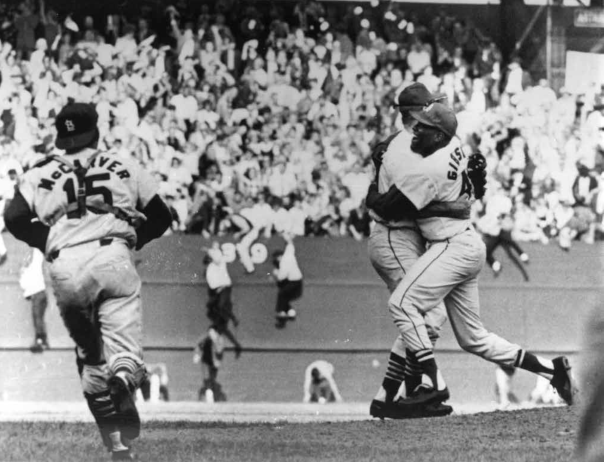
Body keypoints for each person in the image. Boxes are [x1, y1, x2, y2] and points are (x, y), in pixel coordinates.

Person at [366, 102, 575, 410]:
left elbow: (384, 207)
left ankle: (433, 385)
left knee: (402, 303)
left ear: (438, 136)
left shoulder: (426, 170)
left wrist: (373, 184)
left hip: (451, 247)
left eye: (423, 127)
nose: (416, 129)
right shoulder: (455, 145)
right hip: (467, 243)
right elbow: (463, 194)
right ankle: (552, 370)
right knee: (474, 338)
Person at [4, 102, 172, 461]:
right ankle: (124, 379)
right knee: (124, 352)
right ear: (95, 131)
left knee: (90, 358)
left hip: (66, 263)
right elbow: (161, 215)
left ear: (62, 138)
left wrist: (46, 240)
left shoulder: (40, 171)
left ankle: (118, 447)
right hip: (112, 255)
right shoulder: (125, 164)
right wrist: (133, 240)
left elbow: (14, 215)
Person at [367, 83, 484, 420]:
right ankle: (427, 389)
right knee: (423, 314)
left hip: (407, 234)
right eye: (431, 106)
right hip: (395, 233)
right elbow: (395, 206)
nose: (437, 110)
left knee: (421, 316)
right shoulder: (404, 147)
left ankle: (391, 396)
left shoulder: (415, 143)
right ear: (416, 113)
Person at [194, 323, 242, 403]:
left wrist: (215, 342)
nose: (210, 334)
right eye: (209, 332)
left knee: (212, 378)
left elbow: (219, 351)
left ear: (216, 332)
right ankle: (209, 395)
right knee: (206, 378)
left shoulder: (220, 340)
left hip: (214, 363)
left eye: (212, 332)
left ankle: (211, 394)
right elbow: (199, 346)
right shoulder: (206, 339)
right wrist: (197, 355)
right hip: (205, 361)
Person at [203, 241, 240, 333]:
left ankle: (231, 319)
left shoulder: (220, 261)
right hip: (217, 289)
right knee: (213, 306)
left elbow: (217, 257)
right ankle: (221, 321)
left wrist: (209, 249)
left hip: (225, 287)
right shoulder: (211, 267)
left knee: (221, 305)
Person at [19, 248, 50, 353]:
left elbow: (37, 253)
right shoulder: (28, 268)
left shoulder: (34, 262)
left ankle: (40, 341)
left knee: (37, 318)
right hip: (38, 294)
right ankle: (43, 340)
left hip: (38, 294)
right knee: (38, 318)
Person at [271, 232, 303, 329]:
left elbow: (280, 278)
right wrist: (287, 238)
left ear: (279, 258)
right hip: (298, 282)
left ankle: (281, 312)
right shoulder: (289, 254)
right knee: (284, 297)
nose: (276, 260)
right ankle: (290, 312)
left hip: (294, 283)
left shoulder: (283, 264)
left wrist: (275, 273)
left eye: (276, 258)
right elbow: (290, 244)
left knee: (281, 294)